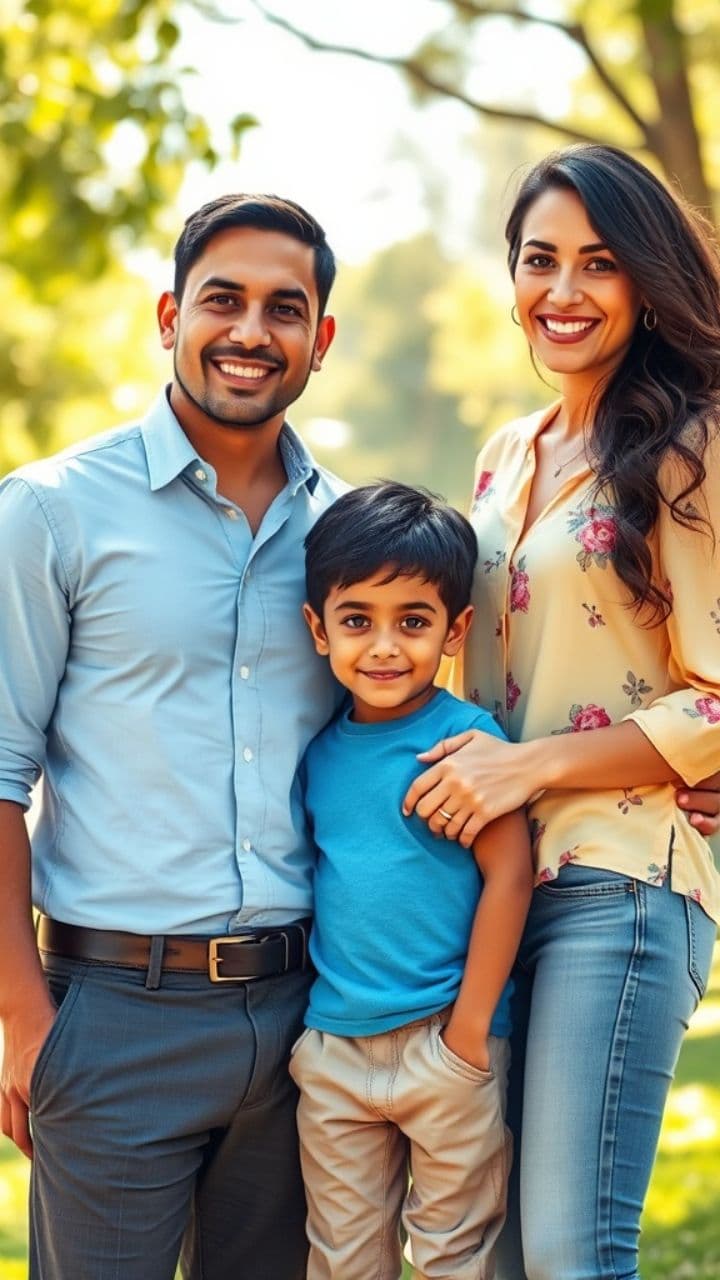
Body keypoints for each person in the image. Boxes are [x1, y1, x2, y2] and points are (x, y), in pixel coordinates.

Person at [0, 194, 346, 1280]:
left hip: (306, 1020)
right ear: (169, 316)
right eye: (222, 300)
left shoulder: (345, 535)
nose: (251, 331)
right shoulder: (51, 511)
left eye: (285, 308)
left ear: (322, 339)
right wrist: (26, 1021)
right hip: (114, 1016)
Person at [402, 144, 720, 1280]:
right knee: (483, 1252)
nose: (564, 290)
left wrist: (529, 767)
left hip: (620, 878)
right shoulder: (505, 454)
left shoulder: (694, 445)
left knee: (570, 1253)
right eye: (540, 260)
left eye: (600, 262)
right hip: (489, 888)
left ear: (648, 279)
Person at [292, 481, 533, 1280]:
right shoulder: (318, 755)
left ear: (455, 630)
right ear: (318, 629)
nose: (385, 646)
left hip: (446, 1042)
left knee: (451, 1256)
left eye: (414, 622)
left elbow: (510, 879)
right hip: (336, 1052)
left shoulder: (468, 743)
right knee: (343, 1260)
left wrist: (468, 1036)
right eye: (357, 620)